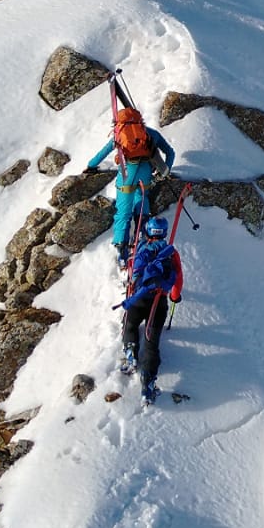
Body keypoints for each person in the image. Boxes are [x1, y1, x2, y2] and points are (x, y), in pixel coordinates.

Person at [85, 105, 176, 268]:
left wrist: (91, 166)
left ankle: (122, 251)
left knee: (123, 213)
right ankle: (142, 235)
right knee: (142, 199)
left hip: (127, 175)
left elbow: (102, 154)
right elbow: (170, 152)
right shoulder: (150, 134)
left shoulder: (119, 135)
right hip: (146, 173)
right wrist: (165, 171)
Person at [118, 215, 183, 404]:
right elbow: (178, 278)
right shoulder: (171, 253)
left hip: (139, 298)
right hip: (158, 301)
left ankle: (130, 354)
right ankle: (148, 382)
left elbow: (133, 268)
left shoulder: (141, 247)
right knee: (151, 340)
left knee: (130, 324)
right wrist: (174, 296)